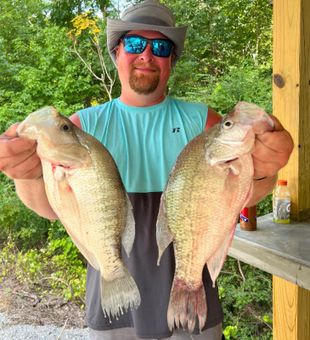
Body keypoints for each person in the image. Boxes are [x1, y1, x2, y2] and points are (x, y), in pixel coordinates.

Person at [0, 1, 293, 339]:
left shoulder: (207, 123)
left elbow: (242, 194)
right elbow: (50, 209)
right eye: (136, 44)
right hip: (114, 304)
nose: (147, 55)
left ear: (171, 60)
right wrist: (25, 174)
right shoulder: (82, 127)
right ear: (117, 52)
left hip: (192, 303)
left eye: (161, 47)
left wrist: (264, 171)